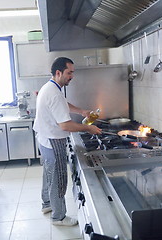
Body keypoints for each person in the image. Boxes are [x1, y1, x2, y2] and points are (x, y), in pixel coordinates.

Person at [33, 57, 102, 226]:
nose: (72, 76)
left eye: (72, 72)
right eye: (69, 73)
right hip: (53, 141)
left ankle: (47, 204)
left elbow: (64, 103)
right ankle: (59, 217)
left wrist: (82, 111)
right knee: (58, 177)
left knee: (48, 173)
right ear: (58, 72)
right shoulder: (54, 93)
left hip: (44, 138)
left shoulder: (50, 87)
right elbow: (65, 125)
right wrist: (88, 128)